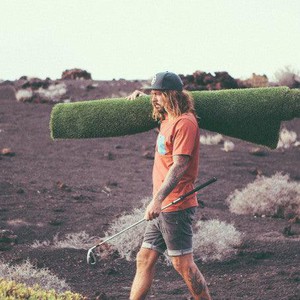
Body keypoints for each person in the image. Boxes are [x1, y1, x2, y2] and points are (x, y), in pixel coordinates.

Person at [127, 71, 212, 300]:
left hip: (176, 205)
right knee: (144, 258)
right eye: (152, 93)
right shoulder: (168, 119)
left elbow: (179, 166)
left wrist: (158, 199)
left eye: (159, 94)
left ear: (173, 95)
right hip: (164, 205)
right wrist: (144, 98)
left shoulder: (185, 123)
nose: (155, 98)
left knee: (183, 264)